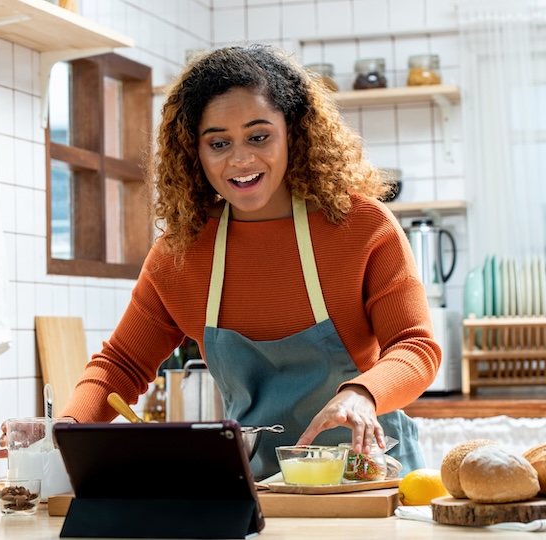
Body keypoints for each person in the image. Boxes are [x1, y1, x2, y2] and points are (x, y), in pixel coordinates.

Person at [60, 44, 440, 480]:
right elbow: (122, 364)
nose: (241, 159)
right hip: (257, 486)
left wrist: (362, 393)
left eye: (259, 136)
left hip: (369, 474)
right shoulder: (182, 252)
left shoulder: (362, 226)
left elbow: (415, 347)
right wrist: (67, 428)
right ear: (194, 152)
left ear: (293, 132)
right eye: (219, 143)